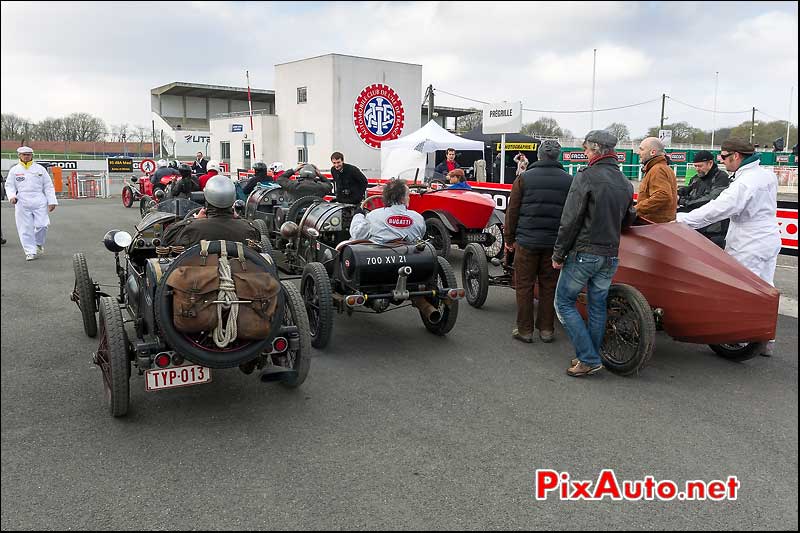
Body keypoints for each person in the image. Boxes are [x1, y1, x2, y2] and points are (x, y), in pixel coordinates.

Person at [676, 139, 781, 356]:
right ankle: (765, 339)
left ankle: (743, 336)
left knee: (743, 290)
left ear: (736, 156)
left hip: (748, 240)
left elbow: (717, 210)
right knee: (766, 288)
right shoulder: (766, 174)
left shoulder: (745, 183)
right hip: (768, 237)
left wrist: (682, 220)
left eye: (723, 156)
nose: (721, 161)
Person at [552, 130, 636, 377]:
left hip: (585, 252)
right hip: (610, 253)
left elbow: (570, 220)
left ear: (597, 149)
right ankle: (590, 355)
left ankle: (588, 358)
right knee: (598, 305)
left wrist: (558, 254)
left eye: (587, 149)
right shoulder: (625, 182)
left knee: (564, 302)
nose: (585, 153)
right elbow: (628, 218)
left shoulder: (586, 177)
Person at [504, 139, 572, 344]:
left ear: (539, 155)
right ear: (557, 157)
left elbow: (512, 211)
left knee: (524, 285)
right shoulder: (569, 181)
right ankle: (546, 329)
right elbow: (572, 215)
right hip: (554, 244)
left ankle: (525, 330)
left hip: (526, 242)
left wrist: (509, 238)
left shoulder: (524, 178)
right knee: (549, 286)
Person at [163, 175, 260, 248]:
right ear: (233, 198)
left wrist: (194, 219)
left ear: (206, 198)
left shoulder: (189, 229)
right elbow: (258, 240)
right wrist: (238, 218)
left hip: (201, 273)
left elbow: (167, 237)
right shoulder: (248, 229)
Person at [5, 146, 58, 261]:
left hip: (39, 199)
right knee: (25, 228)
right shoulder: (14, 170)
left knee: (42, 225)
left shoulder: (40, 169)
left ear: (32, 155)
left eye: (28, 154)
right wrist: (12, 196)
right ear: (19, 156)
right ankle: (30, 252)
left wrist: (52, 201)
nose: (26, 156)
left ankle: (38, 243)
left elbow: (48, 186)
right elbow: (9, 185)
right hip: (22, 201)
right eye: (24, 154)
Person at [677, 150, 731, 248]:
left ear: (710, 163)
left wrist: (683, 201)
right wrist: (677, 193)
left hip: (715, 230)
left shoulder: (721, 178)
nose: (697, 169)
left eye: (700, 166)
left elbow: (711, 199)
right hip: (696, 226)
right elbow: (688, 191)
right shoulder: (696, 178)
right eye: (695, 166)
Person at [349, 178, 425, 244]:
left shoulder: (373, 216)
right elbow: (420, 236)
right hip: (411, 258)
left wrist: (358, 215)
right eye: (408, 195)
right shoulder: (418, 218)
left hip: (379, 257)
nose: (409, 198)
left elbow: (357, 235)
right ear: (402, 199)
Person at [636, 137, 678, 223]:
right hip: (659, 226)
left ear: (653, 152)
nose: (638, 152)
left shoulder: (657, 170)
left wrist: (635, 210)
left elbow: (662, 196)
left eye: (641, 149)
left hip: (653, 226)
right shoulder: (661, 168)